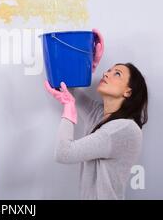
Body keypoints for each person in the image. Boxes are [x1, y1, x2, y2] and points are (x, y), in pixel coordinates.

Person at [44, 29, 148, 200]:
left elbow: (64, 153)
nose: (106, 73)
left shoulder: (123, 128)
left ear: (128, 91)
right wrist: (85, 65)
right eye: (108, 70)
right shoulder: (101, 116)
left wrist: (69, 110)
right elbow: (68, 89)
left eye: (117, 74)